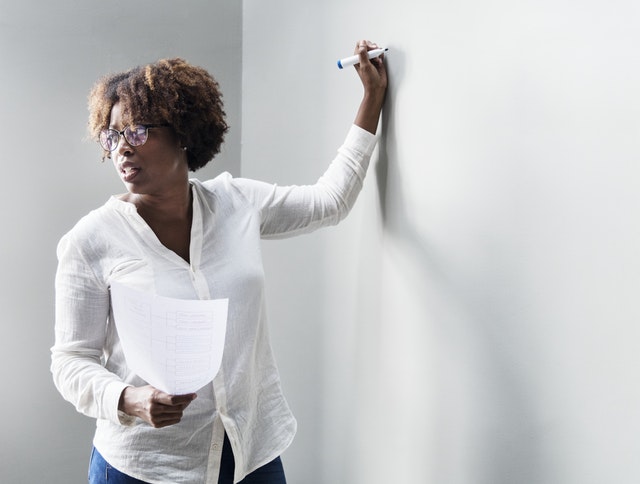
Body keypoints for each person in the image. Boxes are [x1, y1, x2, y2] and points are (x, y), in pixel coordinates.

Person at [51, 40, 387, 484]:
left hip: (251, 455)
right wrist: (129, 398)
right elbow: (70, 361)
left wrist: (371, 100)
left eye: (137, 131)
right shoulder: (90, 240)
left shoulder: (237, 202)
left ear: (184, 132)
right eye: (112, 136)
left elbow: (330, 202)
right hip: (145, 467)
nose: (121, 149)